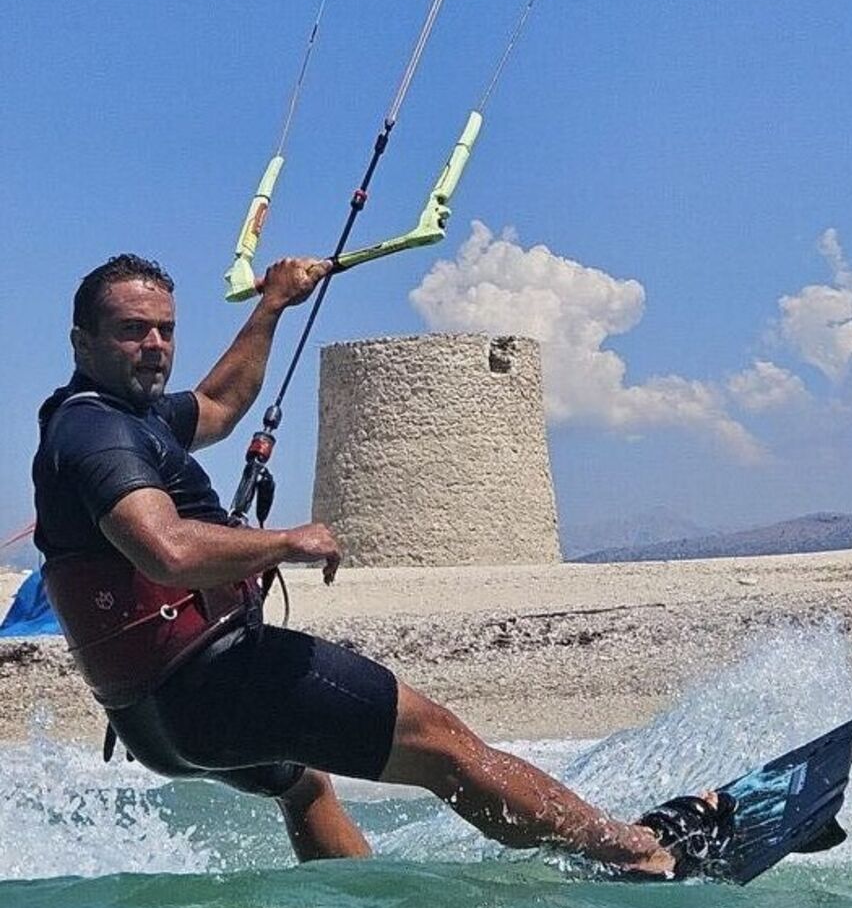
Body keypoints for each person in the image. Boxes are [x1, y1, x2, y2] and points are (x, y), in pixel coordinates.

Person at [33, 253, 732, 875]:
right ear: (83, 341)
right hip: (216, 683)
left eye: (165, 329)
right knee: (441, 744)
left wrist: (271, 304)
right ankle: (641, 851)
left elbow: (219, 405)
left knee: (304, 781)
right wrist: (285, 541)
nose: (154, 346)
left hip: (155, 724)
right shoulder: (97, 433)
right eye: (131, 329)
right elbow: (169, 550)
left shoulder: (124, 414)